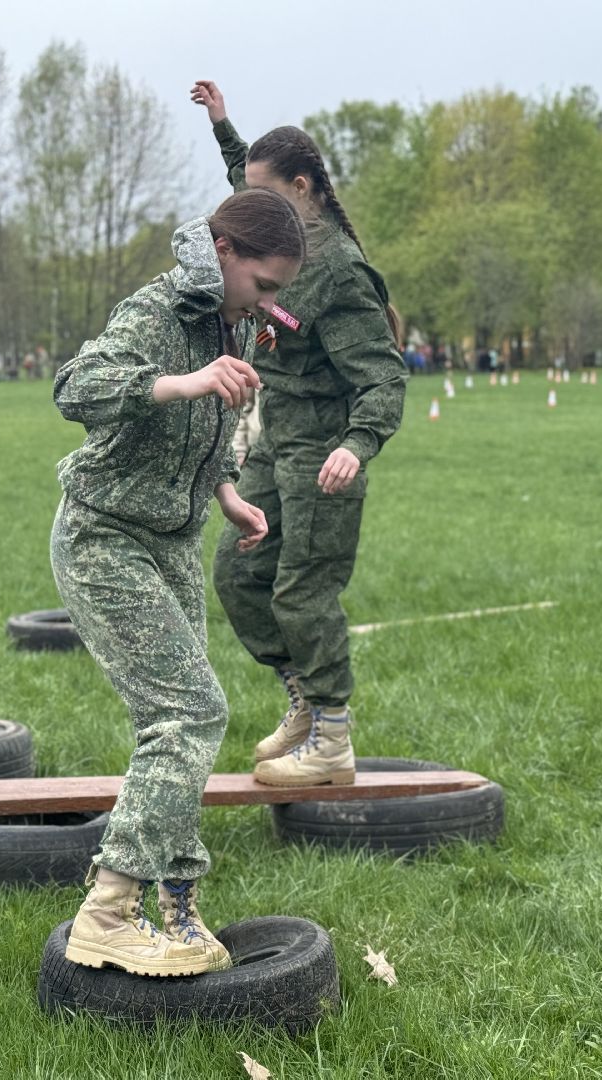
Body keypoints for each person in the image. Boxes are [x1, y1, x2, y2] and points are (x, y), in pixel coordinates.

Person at [51, 188, 305, 977]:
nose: (270, 305)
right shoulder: (158, 312)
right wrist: (186, 380)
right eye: (264, 286)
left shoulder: (237, 321)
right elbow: (75, 388)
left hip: (172, 541)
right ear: (225, 252)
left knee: (176, 725)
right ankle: (105, 915)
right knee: (192, 712)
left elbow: (222, 426)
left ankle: (179, 906)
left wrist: (227, 492)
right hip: (103, 535)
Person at [190, 80, 407, 788]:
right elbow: (242, 189)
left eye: (269, 193)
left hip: (323, 449)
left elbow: (384, 377)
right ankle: (304, 701)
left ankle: (332, 739)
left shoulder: (340, 273)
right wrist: (226, 129)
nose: (255, 209)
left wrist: (357, 443)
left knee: (302, 592)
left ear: (304, 188)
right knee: (238, 574)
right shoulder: (277, 234)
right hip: (273, 435)